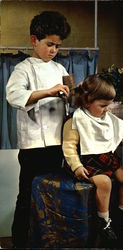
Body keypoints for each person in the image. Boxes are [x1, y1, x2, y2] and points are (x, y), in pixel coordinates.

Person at [6, 11, 71, 248]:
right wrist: (49, 91)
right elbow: (14, 96)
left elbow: (69, 94)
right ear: (34, 40)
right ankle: (20, 243)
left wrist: (77, 92)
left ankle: (48, 241)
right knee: (27, 197)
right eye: (49, 44)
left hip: (57, 143)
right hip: (33, 145)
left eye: (57, 45)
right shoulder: (23, 69)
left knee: (53, 196)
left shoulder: (60, 68)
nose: (53, 50)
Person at [62, 74, 123, 245]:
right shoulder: (75, 120)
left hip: (104, 159)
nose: (107, 110)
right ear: (87, 102)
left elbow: (118, 134)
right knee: (105, 182)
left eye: (109, 105)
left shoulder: (105, 118)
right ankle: (104, 221)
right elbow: (69, 147)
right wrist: (77, 166)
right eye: (103, 105)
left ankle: (120, 214)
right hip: (85, 162)